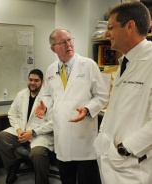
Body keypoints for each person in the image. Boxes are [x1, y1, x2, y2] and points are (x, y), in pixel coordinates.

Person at [35, 29, 108, 184]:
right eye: (62, 42)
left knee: (87, 180)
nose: (68, 44)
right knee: (66, 179)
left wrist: (87, 109)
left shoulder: (88, 65)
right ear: (53, 48)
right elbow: (47, 95)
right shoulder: (51, 70)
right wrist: (45, 105)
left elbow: (101, 96)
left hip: (84, 136)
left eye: (70, 39)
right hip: (62, 137)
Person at [93, 2, 152, 184]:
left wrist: (125, 149)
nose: (106, 33)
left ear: (130, 26)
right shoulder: (125, 62)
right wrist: (102, 139)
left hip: (131, 165)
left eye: (110, 27)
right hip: (111, 159)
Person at [0, 69, 54, 184]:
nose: (32, 83)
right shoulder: (21, 94)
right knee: (1, 137)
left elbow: (53, 122)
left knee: (38, 153)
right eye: (30, 80)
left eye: (36, 80)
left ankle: (42, 181)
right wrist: (18, 129)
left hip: (40, 135)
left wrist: (32, 132)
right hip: (22, 131)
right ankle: (13, 166)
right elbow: (12, 113)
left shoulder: (49, 98)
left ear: (42, 82)